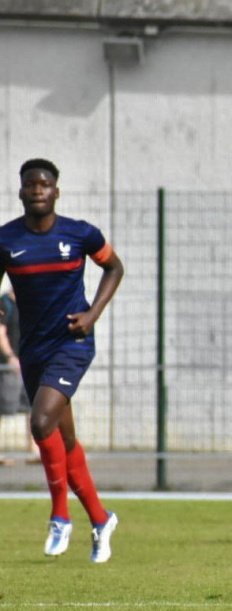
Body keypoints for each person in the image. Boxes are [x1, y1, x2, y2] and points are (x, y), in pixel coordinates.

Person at [0, 158, 125, 562]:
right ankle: (101, 519)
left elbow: (114, 267)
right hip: (32, 348)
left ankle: (60, 515)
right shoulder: (6, 240)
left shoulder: (80, 233)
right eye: (30, 184)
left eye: (45, 184)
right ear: (20, 192)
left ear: (56, 191)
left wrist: (92, 315)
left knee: (39, 422)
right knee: (64, 440)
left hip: (71, 344)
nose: (38, 189)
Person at [0, 284, 40, 464]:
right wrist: (10, 357)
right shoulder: (5, 303)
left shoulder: (29, 303)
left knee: (32, 408)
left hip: (28, 365)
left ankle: (35, 452)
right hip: (8, 367)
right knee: (3, 408)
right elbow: (1, 333)